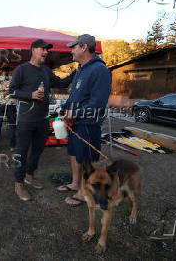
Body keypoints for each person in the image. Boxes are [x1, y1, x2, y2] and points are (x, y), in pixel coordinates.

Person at [9, 39, 76, 201]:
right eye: (43, 49)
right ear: (33, 50)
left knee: (38, 150)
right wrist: (30, 95)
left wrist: (76, 72)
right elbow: (11, 92)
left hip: (43, 119)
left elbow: (61, 83)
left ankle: (29, 175)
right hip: (26, 119)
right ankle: (19, 183)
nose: (46, 52)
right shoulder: (22, 70)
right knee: (21, 151)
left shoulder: (46, 71)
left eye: (47, 50)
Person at [56, 34, 112, 206]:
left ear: (84, 47)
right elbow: (75, 95)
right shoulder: (81, 69)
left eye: (73, 47)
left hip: (88, 123)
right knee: (74, 154)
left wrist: (77, 113)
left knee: (85, 158)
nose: (71, 50)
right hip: (76, 122)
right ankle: (75, 183)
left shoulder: (100, 70)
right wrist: (65, 107)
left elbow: (98, 101)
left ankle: (83, 193)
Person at [0, 65, 17, 151]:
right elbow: (16, 89)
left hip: (1, 103)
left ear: (2, 70)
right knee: (12, 125)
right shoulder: (13, 78)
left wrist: (0, 90)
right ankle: (13, 146)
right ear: (9, 71)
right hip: (11, 104)